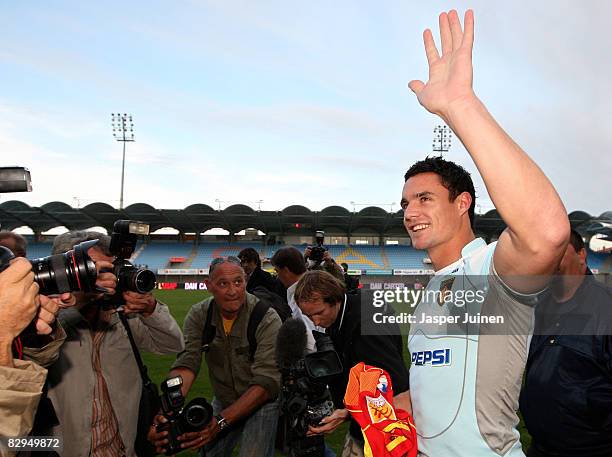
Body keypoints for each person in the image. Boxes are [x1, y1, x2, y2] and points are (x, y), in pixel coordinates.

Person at [403, 10, 569, 457]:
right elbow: (428, 397)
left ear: (462, 204)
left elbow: (547, 233)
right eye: (405, 203)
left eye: (424, 199)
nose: (410, 212)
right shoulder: (432, 290)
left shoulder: (492, 270)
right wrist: (367, 408)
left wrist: (460, 106)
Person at [42, 230, 184, 457]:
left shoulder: (124, 318)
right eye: (96, 270)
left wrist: (151, 309)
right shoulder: (42, 320)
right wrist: (80, 299)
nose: (109, 278)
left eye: (111, 269)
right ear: (66, 271)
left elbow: (172, 345)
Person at [149, 257, 281, 457]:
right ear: (208, 285)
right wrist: (165, 411)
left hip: (261, 401)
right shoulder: (199, 314)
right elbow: (187, 362)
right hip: (224, 397)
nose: (232, 291)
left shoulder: (266, 317)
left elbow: (266, 382)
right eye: (222, 284)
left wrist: (220, 422)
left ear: (246, 281)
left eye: (238, 282)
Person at [295, 270, 410, 457]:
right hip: (365, 426)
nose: (316, 321)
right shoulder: (344, 313)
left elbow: (391, 383)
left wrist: (347, 412)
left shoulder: (368, 321)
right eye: (309, 316)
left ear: (336, 299)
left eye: (319, 313)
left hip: (385, 433)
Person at [520, 229, 612, 457]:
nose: (549, 261)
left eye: (558, 252)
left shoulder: (606, 306)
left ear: (582, 255)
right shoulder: (538, 306)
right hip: (541, 448)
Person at [271, 246, 324, 352]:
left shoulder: (301, 295)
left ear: (286, 270)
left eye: (277, 271)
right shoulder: (312, 284)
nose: (277, 276)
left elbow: (310, 339)